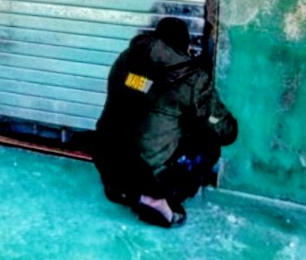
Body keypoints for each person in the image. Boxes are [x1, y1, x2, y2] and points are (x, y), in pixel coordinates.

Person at [93, 17, 238, 227]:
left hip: (107, 158)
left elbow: (146, 89)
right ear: (185, 46)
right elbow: (226, 132)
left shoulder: (126, 59)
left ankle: (121, 188)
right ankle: (155, 198)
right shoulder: (193, 80)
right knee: (209, 141)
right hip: (148, 173)